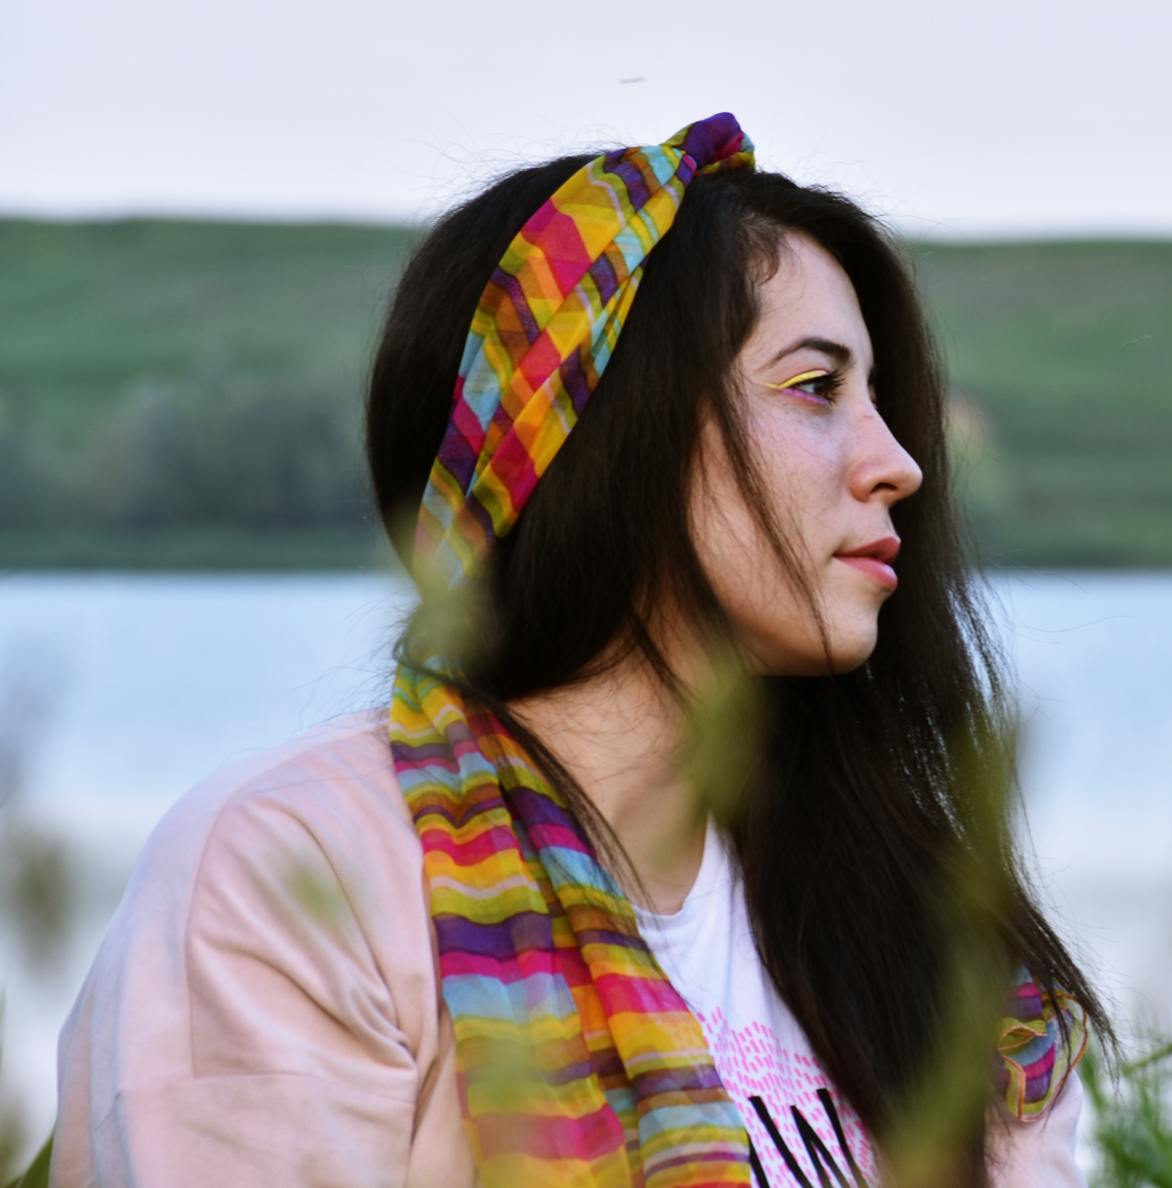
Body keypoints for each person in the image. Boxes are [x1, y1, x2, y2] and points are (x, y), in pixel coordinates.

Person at [50, 113, 1117, 1186]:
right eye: (815, 387)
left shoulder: (918, 925)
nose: (898, 464)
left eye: (879, 398)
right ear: (606, 430)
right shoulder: (297, 871)